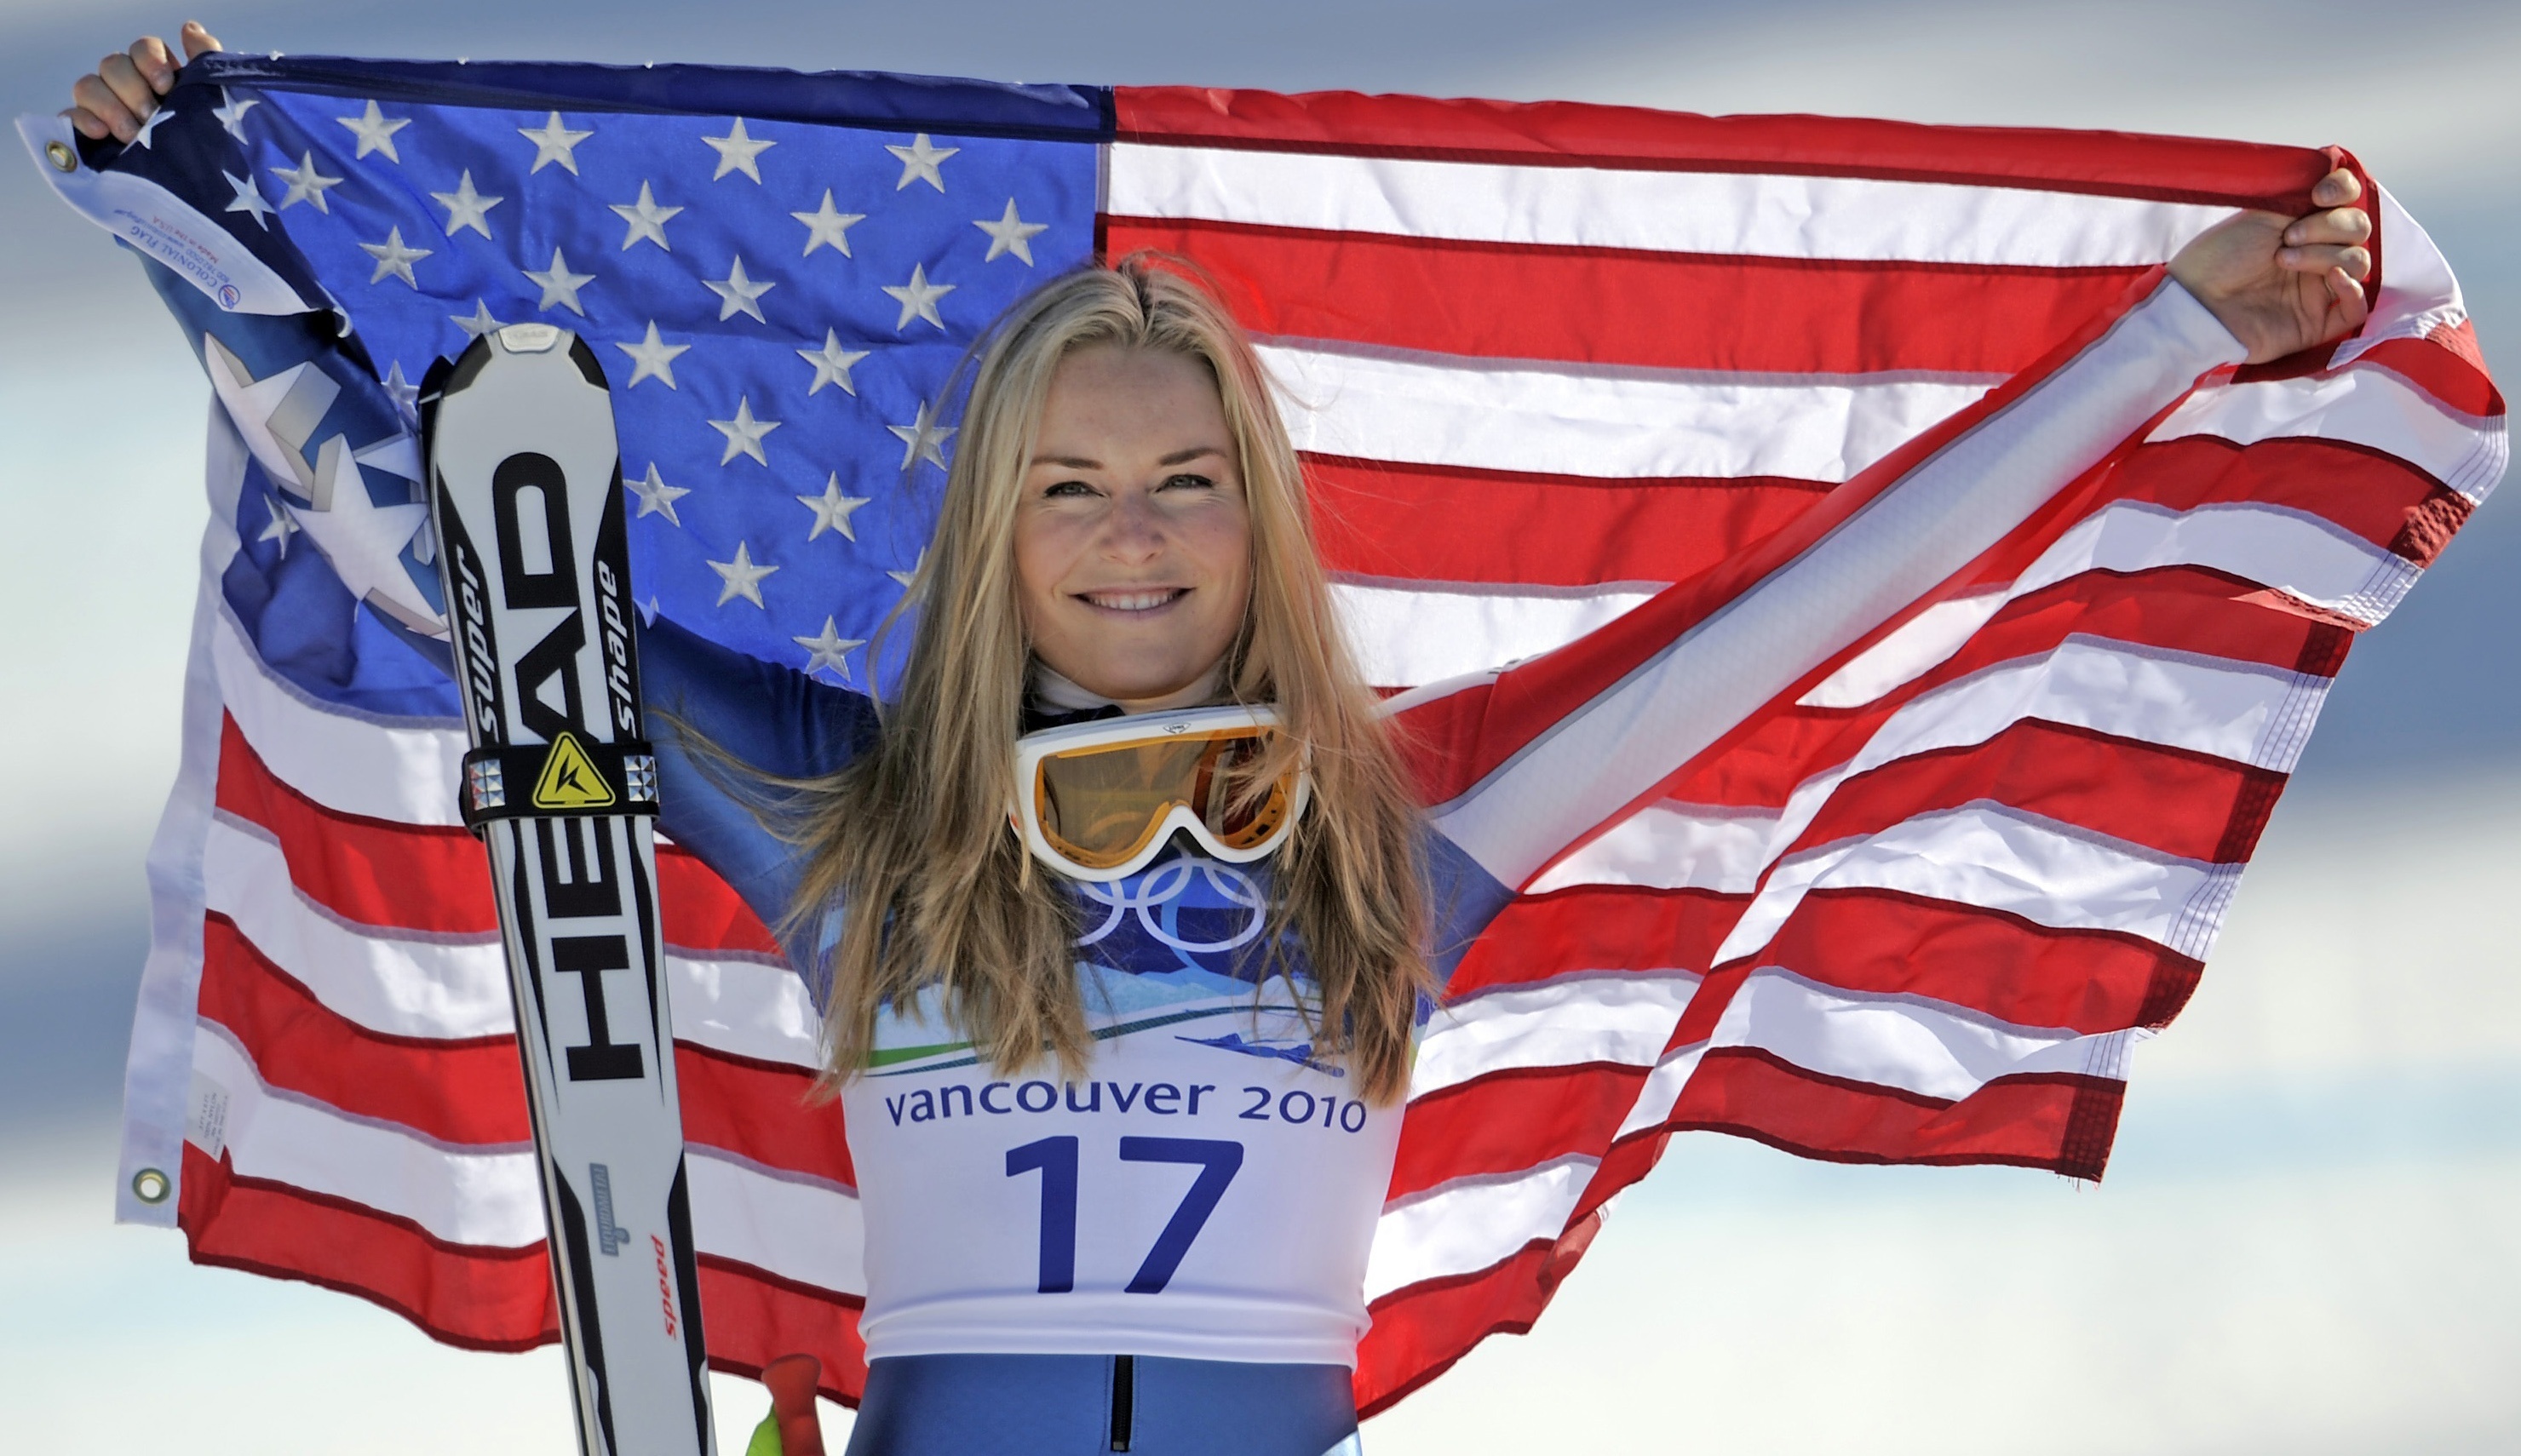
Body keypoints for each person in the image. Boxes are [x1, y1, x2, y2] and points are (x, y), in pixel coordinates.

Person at [66, 26, 2376, 1456]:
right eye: (1073, 489)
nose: (1136, 540)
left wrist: (2172, 331)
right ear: (995, 532)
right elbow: (465, 553)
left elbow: (1813, 614)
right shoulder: (851, 818)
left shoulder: (1402, 844)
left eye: (1187, 485)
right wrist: (193, 212)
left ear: (1258, 528)